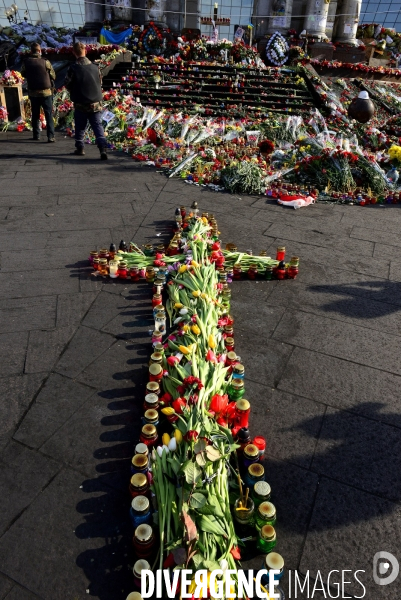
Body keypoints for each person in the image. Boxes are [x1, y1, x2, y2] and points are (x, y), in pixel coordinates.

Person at [64, 41, 108, 159]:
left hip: (81, 102)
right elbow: (100, 82)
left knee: (80, 125)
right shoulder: (95, 67)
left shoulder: (73, 68)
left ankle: (80, 147)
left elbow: (67, 83)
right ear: (86, 51)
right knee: (97, 125)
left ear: (74, 52)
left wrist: (74, 91)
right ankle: (102, 148)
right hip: (96, 102)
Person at [21, 42, 56, 142]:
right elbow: (53, 76)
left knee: (35, 114)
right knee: (48, 114)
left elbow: (23, 74)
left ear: (31, 51)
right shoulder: (46, 62)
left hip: (33, 93)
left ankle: (36, 135)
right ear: (39, 51)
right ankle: (51, 136)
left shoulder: (26, 62)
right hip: (46, 93)